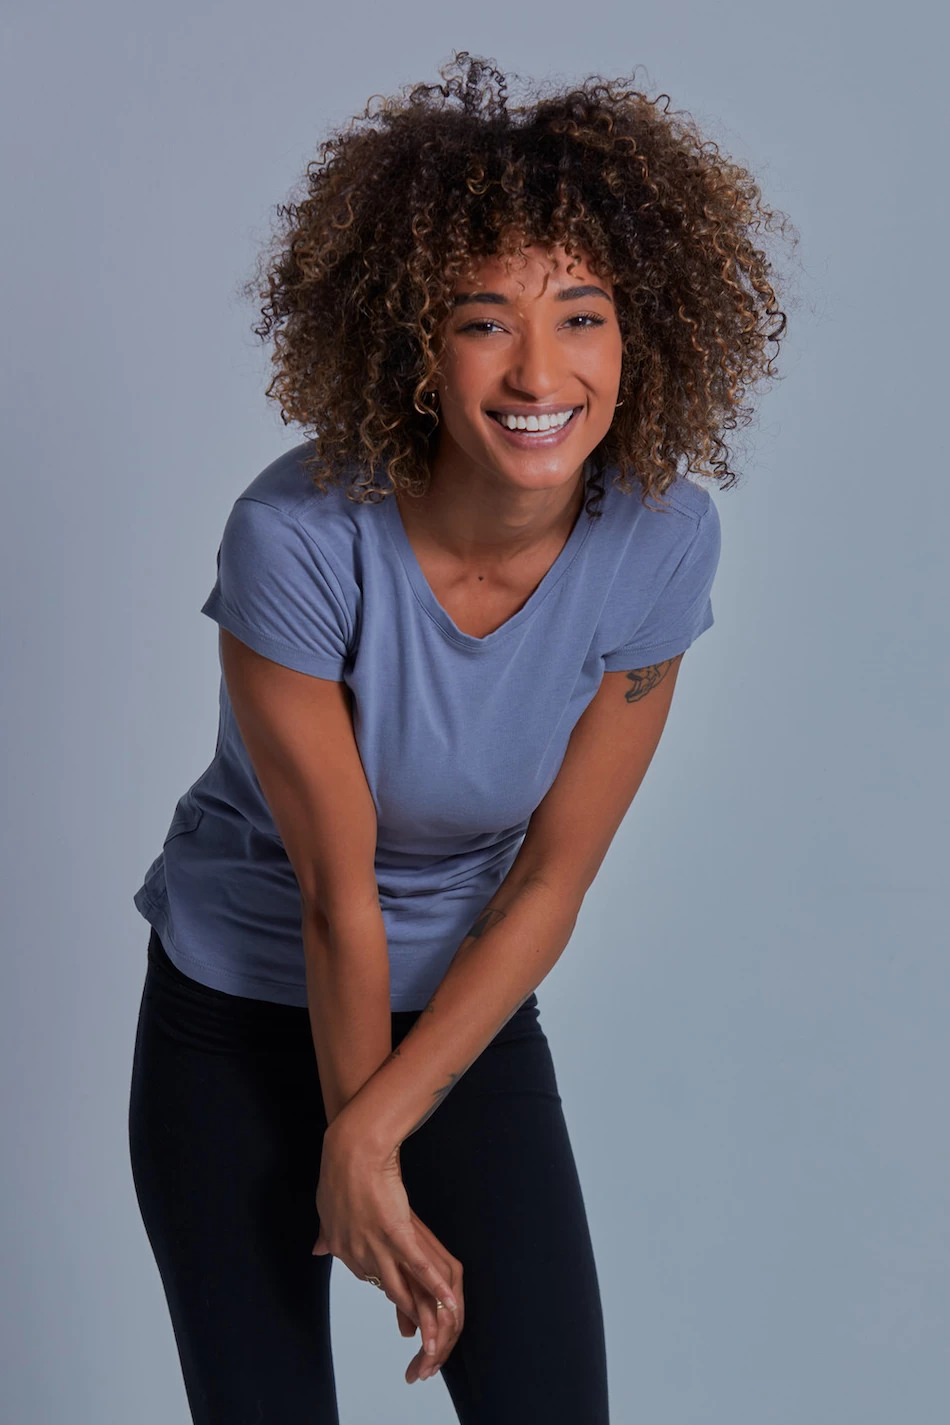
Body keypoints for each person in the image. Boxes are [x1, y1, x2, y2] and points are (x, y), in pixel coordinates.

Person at [127, 52, 792, 1425]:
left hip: (463, 1018)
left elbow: (549, 880)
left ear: (642, 334)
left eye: (583, 317)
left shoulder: (662, 539)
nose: (540, 371)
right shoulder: (295, 540)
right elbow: (336, 894)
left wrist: (374, 1129)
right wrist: (355, 1155)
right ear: (414, 347)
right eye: (485, 322)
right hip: (234, 1018)